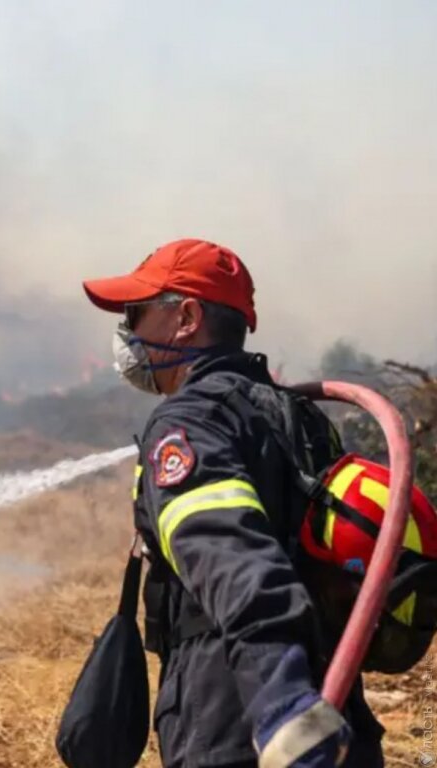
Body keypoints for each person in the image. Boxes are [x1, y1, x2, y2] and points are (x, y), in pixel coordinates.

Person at [82, 239, 385, 768]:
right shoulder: (301, 419)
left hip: (242, 728)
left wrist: (282, 705)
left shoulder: (189, 421)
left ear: (187, 318)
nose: (127, 334)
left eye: (137, 314)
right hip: (339, 725)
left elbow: (231, 555)